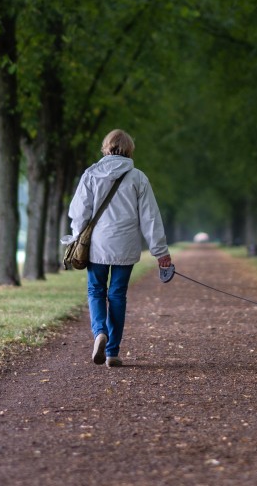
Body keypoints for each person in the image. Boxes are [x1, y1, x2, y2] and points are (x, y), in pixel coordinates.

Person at [68, 129, 172, 367]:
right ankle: (113, 351)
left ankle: (100, 332)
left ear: (106, 147)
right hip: (125, 246)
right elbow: (150, 218)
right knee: (117, 295)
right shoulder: (138, 177)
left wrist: (76, 237)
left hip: (97, 245)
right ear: (129, 150)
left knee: (96, 291)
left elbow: (79, 212)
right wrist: (160, 251)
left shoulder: (91, 174)